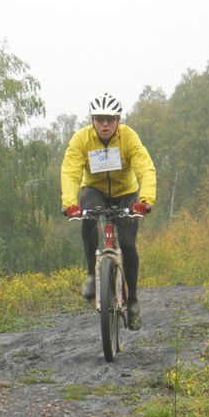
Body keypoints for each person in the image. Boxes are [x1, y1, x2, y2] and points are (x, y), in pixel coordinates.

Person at [61, 92, 156, 331]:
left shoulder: (129, 137)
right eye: (100, 119)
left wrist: (145, 200)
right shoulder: (81, 139)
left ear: (118, 120)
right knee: (88, 220)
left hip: (126, 192)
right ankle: (92, 276)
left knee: (128, 243)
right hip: (95, 189)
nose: (105, 124)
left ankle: (132, 300)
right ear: (92, 120)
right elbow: (71, 170)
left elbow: (145, 167)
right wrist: (70, 203)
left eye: (110, 119)